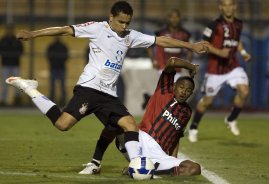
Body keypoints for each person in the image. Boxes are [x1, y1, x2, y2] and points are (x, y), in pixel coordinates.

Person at [6, 1, 208, 164]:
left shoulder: (130, 36)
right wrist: (33, 34)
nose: (124, 27)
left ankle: (135, 164)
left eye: (127, 23)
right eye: (120, 22)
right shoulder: (97, 28)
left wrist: (190, 45)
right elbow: (64, 30)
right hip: (89, 88)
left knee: (129, 125)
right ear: (111, 17)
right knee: (62, 124)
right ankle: (31, 90)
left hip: (109, 95)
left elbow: (161, 40)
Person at [80, 57, 201, 176]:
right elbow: (172, 62)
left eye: (188, 90)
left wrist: (173, 161)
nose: (184, 92)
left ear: (191, 93)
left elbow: (176, 138)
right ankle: (96, 162)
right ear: (174, 86)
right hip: (140, 141)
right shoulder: (164, 91)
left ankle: (144, 169)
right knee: (115, 120)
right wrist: (190, 67)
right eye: (181, 87)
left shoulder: (187, 112)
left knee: (195, 168)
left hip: (160, 155)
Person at [188, 0, 251, 143]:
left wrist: (243, 52)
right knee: (207, 102)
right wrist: (219, 52)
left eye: (231, 5)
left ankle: (231, 118)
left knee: (244, 91)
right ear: (220, 7)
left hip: (233, 66)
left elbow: (237, 40)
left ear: (234, 6)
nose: (228, 8)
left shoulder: (239, 24)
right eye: (225, 5)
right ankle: (193, 127)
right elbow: (204, 44)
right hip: (215, 70)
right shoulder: (214, 24)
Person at [142, 9, 193, 109]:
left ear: (180, 18)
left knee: (172, 93)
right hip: (162, 67)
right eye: (172, 17)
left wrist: (188, 63)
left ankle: (151, 100)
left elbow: (190, 48)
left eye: (176, 17)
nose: (174, 19)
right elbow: (149, 45)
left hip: (177, 68)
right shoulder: (161, 32)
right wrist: (153, 60)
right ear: (168, 18)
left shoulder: (185, 34)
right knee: (169, 92)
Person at [0, 24, 23, 106]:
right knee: (4, 83)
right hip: (6, 64)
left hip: (15, 64)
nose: (9, 31)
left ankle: (17, 100)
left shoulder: (16, 40)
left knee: (17, 83)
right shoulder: (3, 39)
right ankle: (3, 100)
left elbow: (21, 50)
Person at [47, 37, 69, 105]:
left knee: (57, 85)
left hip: (57, 67)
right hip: (58, 67)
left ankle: (56, 100)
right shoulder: (62, 46)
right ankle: (61, 100)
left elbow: (66, 56)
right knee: (60, 85)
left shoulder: (52, 46)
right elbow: (48, 56)